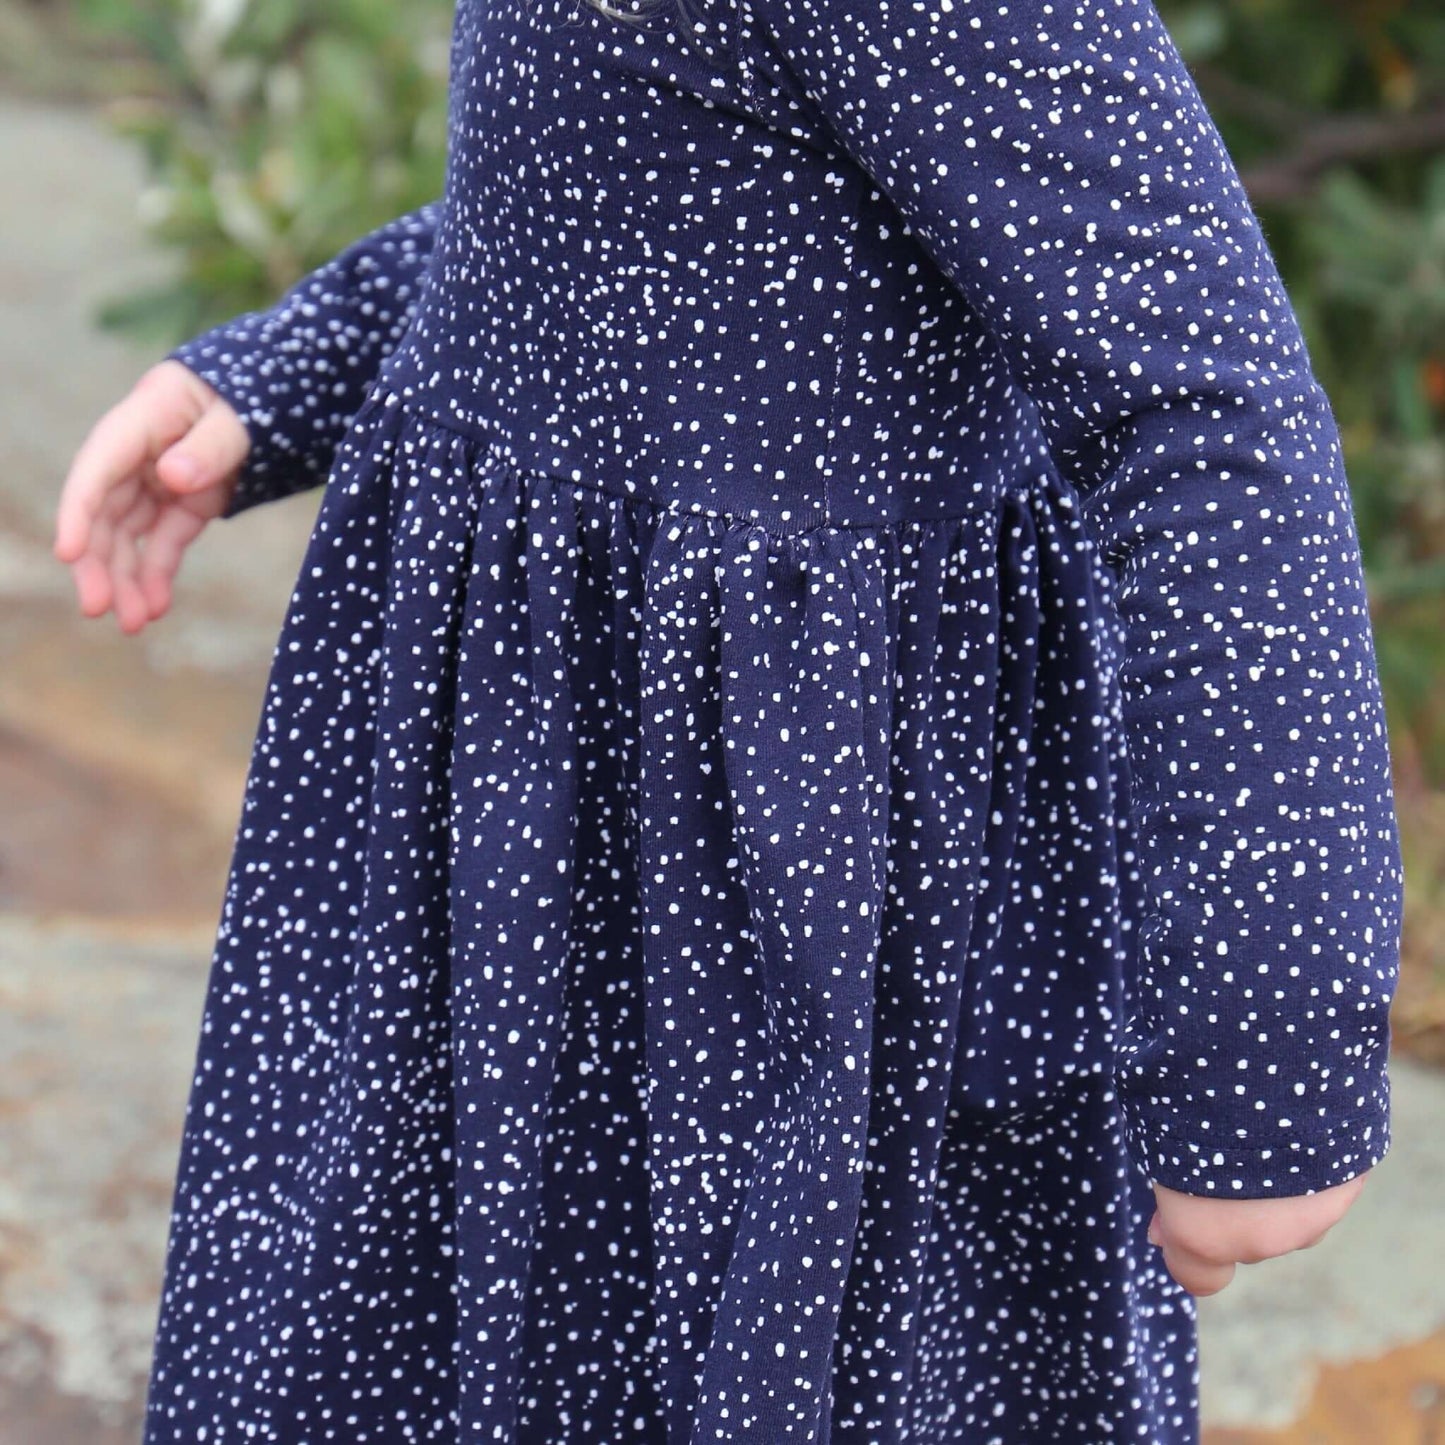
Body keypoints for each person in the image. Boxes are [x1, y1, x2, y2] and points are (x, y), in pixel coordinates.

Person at [53, 0, 1403, 1438]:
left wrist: (1269, 1045)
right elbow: (644, 171)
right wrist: (294, 364)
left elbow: (1196, 399)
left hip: (782, 892)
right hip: (544, 831)